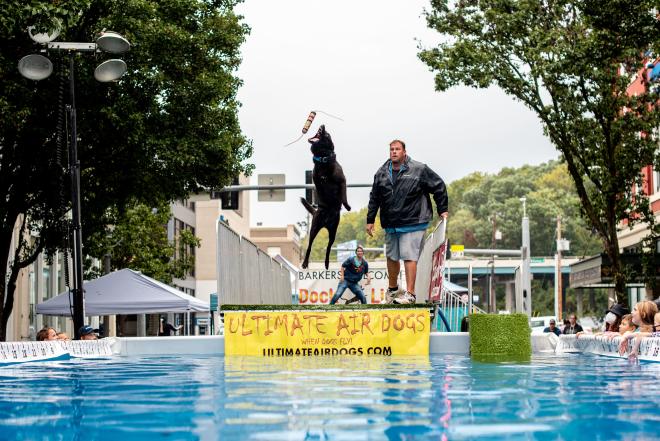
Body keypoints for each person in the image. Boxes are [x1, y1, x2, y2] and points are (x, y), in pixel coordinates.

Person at [366, 139, 448, 304]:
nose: (394, 152)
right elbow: (374, 197)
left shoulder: (419, 169)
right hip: (391, 223)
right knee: (391, 257)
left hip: (413, 221)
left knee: (409, 256)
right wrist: (370, 219)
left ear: (404, 152)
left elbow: (439, 185)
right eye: (391, 149)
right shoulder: (381, 172)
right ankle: (393, 290)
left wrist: (442, 209)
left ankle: (410, 294)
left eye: (397, 149)